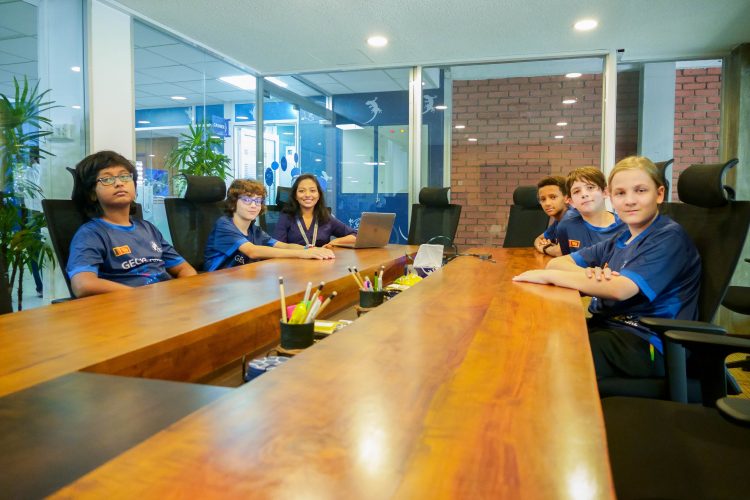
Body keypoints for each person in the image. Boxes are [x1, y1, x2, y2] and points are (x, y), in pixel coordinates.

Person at [513, 156, 700, 381]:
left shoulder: (667, 237)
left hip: (649, 342)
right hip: (610, 326)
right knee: (535, 339)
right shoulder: (622, 237)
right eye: (620, 193)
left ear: (659, 194)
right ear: (611, 196)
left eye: (640, 190)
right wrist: (592, 274)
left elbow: (620, 289)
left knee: (552, 361)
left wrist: (549, 276)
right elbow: (559, 262)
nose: (629, 200)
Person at [67, 151, 196, 298]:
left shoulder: (148, 228)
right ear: (92, 194)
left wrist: (183, 292)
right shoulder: (91, 234)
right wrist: (142, 296)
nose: (119, 183)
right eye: (107, 179)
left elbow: (185, 269)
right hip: (127, 305)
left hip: (165, 301)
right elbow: (83, 285)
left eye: (124, 176)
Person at [204, 179, 335, 271]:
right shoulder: (224, 225)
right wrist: (302, 254)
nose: (253, 205)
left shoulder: (254, 230)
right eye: (247, 200)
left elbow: (283, 245)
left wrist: (308, 249)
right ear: (233, 203)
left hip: (241, 281)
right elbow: (253, 251)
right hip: (217, 284)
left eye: (258, 201)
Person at [273, 174, 356, 248]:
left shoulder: (326, 217)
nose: (307, 195)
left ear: (319, 195)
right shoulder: (286, 216)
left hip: (321, 260)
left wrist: (334, 242)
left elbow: (355, 235)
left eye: (312, 191)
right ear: (295, 196)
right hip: (294, 260)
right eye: (301, 191)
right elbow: (277, 246)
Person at [556, 166, 624, 255]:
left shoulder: (627, 226)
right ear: (571, 201)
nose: (584, 194)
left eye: (590, 187)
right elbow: (568, 259)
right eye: (576, 191)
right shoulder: (565, 227)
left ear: (605, 192)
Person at [533, 176, 570, 257]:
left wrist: (545, 248)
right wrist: (549, 247)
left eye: (553, 197)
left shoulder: (572, 218)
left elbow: (561, 251)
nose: (547, 203)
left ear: (567, 198)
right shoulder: (558, 220)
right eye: (543, 199)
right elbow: (538, 239)